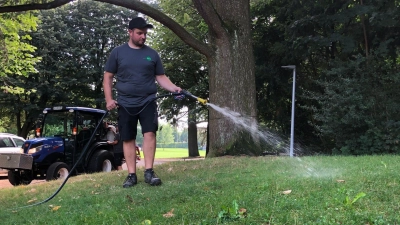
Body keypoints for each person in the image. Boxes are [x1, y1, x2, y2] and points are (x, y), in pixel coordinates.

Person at [103, 17, 182, 188]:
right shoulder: (117, 53)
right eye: (139, 33)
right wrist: (109, 99)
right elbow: (108, 77)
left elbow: (160, 77)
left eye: (145, 34)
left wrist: (174, 88)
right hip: (125, 103)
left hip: (148, 101)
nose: (143, 37)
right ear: (130, 32)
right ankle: (131, 175)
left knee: (150, 134)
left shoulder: (152, 54)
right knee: (128, 137)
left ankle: (149, 172)